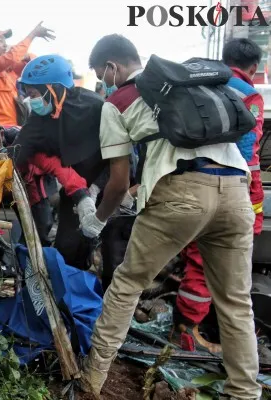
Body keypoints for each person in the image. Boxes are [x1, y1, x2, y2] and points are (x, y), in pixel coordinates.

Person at [80, 34, 260, 399]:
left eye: (102, 72)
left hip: (181, 193)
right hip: (236, 191)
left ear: (112, 67)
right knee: (236, 302)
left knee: (127, 284)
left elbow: (117, 182)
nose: (103, 79)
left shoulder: (118, 101)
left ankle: (91, 379)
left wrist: (96, 220)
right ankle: (244, 392)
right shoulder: (190, 83)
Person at [170, 38, 265, 354]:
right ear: (253, 68)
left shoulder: (200, 86)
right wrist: (254, 211)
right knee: (205, 265)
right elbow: (248, 156)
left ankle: (187, 327)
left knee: (193, 257)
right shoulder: (248, 95)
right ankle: (186, 335)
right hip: (224, 187)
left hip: (183, 183)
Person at [10, 54, 103, 267]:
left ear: (52, 89)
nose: (30, 99)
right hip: (74, 190)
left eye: (34, 93)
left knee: (114, 252)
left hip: (108, 185)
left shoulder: (96, 108)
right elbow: (16, 153)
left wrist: (98, 188)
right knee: (67, 249)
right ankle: (70, 292)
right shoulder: (39, 119)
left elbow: (121, 158)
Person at [0, 110, 90, 246]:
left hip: (29, 182)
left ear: (0, 135)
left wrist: (82, 196)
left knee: (40, 231)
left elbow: (59, 168)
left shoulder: (24, 142)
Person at [0, 23, 55, 128]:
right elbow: (12, 57)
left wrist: (27, 56)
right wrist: (33, 34)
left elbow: (35, 66)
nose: (5, 45)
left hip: (13, 127)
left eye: (5, 41)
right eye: (0, 40)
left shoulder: (9, 69)